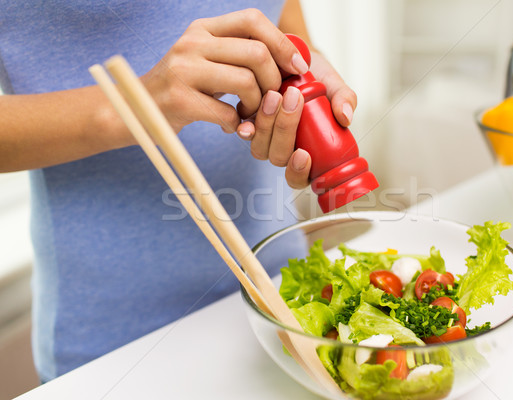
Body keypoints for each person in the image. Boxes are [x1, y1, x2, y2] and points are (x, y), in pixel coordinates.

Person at [0, 1, 357, 382]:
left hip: (282, 303)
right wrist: (132, 106)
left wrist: (303, 64)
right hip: (119, 345)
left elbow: (282, 20)